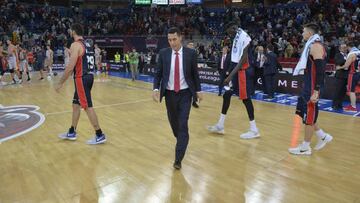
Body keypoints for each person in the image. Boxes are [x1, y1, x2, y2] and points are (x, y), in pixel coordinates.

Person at [152, 27, 202, 170]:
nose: (172, 42)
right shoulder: (163, 53)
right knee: (175, 125)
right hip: (169, 95)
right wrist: (156, 89)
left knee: (182, 124)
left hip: (186, 94)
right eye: (169, 40)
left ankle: (178, 159)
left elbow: (195, 74)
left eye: (174, 39)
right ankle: (181, 138)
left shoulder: (191, 53)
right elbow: (158, 73)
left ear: (180, 37)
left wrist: (198, 91)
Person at [207, 21, 260, 139]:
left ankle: (254, 129)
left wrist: (230, 76)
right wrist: (229, 72)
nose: (229, 34)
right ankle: (220, 124)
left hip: (243, 73)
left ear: (233, 28)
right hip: (236, 72)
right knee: (227, 95)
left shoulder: (245, 37)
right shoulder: (236, 36)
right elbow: (234, 57)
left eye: (229, 31)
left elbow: (242, 60)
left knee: (246, 99)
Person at [55, 23, 106, 145]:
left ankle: (99, 134)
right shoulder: (87, 44)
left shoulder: (75, 45)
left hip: (81, 78)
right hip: (89, 76)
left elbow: (70, 67)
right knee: (75, 105)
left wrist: (60, 82)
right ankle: (72, 131)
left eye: (70, 31)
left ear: (73, 32)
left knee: (87, 107)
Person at [288, 23, 333, 155]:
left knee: (309, 117)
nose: (302, 34)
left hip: (313, 87)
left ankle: (305, 147)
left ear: (310, 33)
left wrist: (316, 90)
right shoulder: (311, 45)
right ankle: (323, 136)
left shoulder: (316, 46)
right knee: (304, 113)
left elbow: (320, 71)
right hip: (308, 85)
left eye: (303, 32)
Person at [341, 43, 360, 112]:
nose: (346, 49)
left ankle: (353, 107)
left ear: (349, 47)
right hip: (358, 73)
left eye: (347, 48)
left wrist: (339, 67)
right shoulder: (358, 52)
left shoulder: (352, 54)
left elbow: (346, 66)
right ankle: (352, 105)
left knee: (351, 91)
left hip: (353, 73)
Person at [332, 43, 348, 110]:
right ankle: (335, 105)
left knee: (343, 92)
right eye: (343, 47)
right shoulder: (337, 55)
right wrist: (346, 60)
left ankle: (340, 104)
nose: (345, 49)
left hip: (346, 76)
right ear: (340, 49)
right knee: (337, 91)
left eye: (345, 47)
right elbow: (338, 62)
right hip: (339, 76)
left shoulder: (348, 55)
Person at [186, 41, 199, 108]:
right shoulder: (184, 52)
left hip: (192, 74)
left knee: (194, 89)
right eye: (190, 45)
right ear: (187, 45)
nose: (192, 46)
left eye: (192, 45)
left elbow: (195, 63)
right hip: (186, 74)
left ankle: (194, 101)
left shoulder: (194, 53)